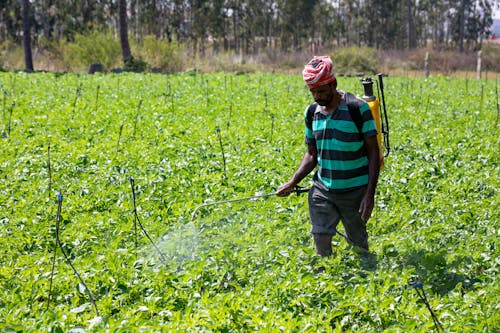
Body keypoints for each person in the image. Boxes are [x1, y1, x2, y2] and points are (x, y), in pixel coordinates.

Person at [276, 55, 380, 256]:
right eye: (312, 91)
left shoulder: (357, 109)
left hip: (354, 191)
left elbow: (373, 152)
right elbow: (311, 155)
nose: (317, 96)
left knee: (358, 243)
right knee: (321, 236)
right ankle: (324, 278)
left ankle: (366, 276)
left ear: (333, 84)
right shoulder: (312, 112)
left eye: (321, 91)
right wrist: (292, 182)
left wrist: (370, 193)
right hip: (322, 189)